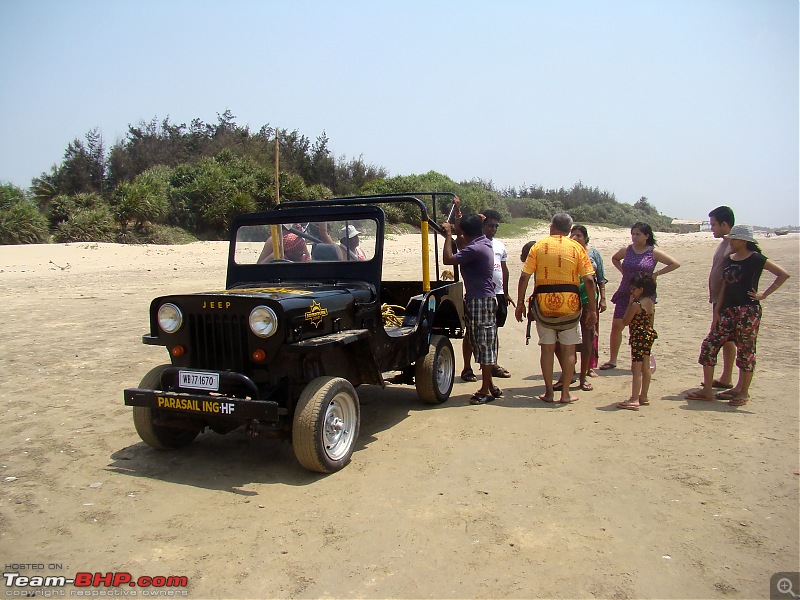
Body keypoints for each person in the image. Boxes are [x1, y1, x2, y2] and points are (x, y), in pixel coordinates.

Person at [686, 224, 790, 407]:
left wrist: (763, 294)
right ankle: (707, 390)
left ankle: (743, 393)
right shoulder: (730, 259)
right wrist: (717, 310)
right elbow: (725, 286)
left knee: (746, 351)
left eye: (733, 239)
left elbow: (782, 274)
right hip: (727, 310)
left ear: (743, 241)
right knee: (709, 345)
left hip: (748, 311)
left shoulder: (756, 259)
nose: (730, 242)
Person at [515, 213, 596, 404]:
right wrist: (592, 310)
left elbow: (524, 276)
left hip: (544, 305)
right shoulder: (577, 247)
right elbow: (590, 280)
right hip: (571, 305)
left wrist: (520, 303)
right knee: (569, 351)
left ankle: (549, 393)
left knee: (547, 349)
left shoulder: (538, 246)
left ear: (551, 227)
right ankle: (566, 393)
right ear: (569, 230)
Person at [599, 222, 680, 371]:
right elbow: (615, 258)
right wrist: (623, 271)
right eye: (633, 233)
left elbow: (674, 263)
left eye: (638, 234)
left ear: (646, 236)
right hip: (626, 291)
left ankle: (642, 359)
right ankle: (612, 360)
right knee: (617, 325)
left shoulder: (653, 252)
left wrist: (656, 274)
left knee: (644, 328)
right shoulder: (627, 250)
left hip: (645, 294)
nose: (634, 237)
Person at [441, 212, 500, 405]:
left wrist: (449, 236)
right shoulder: (482, 243)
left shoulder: (475, 248)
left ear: (465, 233)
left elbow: (448, 259)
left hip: (481, 300)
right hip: (480, 299)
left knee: (484, 344)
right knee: (479, 341)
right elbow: (462, 243)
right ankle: (489, 385)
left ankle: (485, 391)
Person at [460, 210, 515, 382]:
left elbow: (504, 270)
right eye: (490, 225)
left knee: (492, 332)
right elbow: (460, 237)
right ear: (482, 226)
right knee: (472, 333)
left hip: (496, 294)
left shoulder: (499, 245)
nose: (493, 229)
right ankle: (468, 367)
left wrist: (506, 293)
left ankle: (491, 366)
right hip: (479, 295)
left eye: (496, 226)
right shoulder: (472, 245)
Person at [566, 225, 607, 391]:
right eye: (573, 235)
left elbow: (600, 278)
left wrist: (602, 299)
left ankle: (584, 374)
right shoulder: (567, 252)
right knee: (568, 337)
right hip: (570, 300)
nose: (575, 238)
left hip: (588, 300)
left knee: (588, 336)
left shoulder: (593, 254)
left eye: (579, 235)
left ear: (586, 238)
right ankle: (570, 371)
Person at [704, 206, 736, 390]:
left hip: (726, 300)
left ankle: (726, 378)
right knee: (727, 339)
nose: (712, 228)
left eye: (714, 224)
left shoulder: (733, 245)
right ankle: (725, 377)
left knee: (725, 338)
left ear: (725, 224)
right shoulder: (724, 243)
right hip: (717, 298)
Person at [616, 275, 658, 410]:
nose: (631, 291)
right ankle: (643, 395)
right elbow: (651, 321)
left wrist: (629, 304)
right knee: (646, 367)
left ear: (640, 289)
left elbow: (625, 321)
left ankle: (634, 398)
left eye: (633, 289)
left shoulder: (636, 305)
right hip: (647, 335)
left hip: (638, 337)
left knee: (636, 368)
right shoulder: (650, 303)